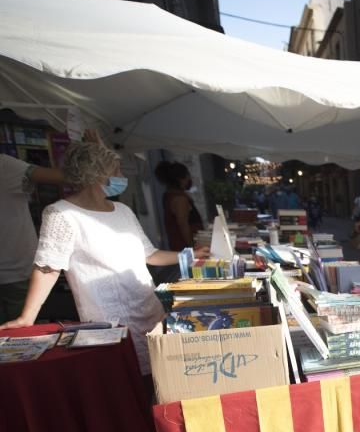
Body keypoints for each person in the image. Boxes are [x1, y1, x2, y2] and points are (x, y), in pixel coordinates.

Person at [1, 141, 206, 378]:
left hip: (151, 312)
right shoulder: (62, 214)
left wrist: (189, 255)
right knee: (127, 380)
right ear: (96, 174)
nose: (122, 176)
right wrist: (27, 316)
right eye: (116, 170)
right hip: (109, 324)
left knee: (161, 377)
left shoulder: (122, 210)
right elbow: (48, 267)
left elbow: (149, 255)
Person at [0, 151, 67, 323]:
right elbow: (66, 177)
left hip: (15, 271)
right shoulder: (6, 165)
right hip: (16, 272)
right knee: (20, 334)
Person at [155, 160, 204, 251]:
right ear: (182, 179)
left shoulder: (171, 195)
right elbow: (183, 224)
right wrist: (192, 247)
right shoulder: (179, 199)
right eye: (188, 175)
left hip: (180, 246)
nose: (190, 178)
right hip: (184, 247)